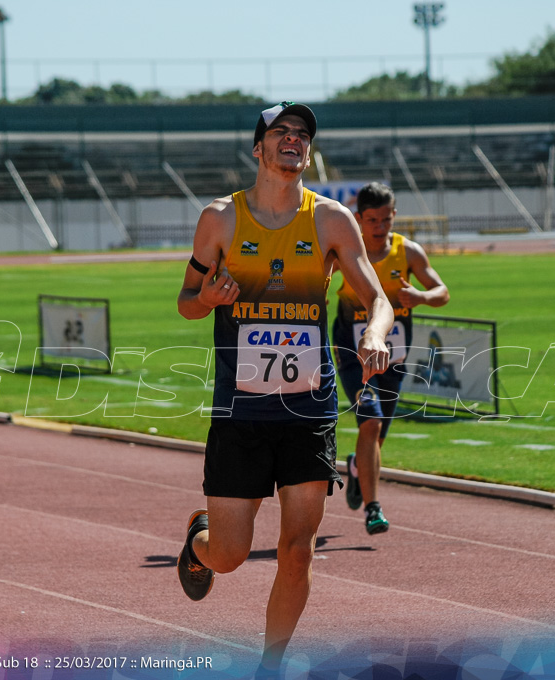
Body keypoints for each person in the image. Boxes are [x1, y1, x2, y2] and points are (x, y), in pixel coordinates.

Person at [175, 102, 394, 675]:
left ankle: (269, 666)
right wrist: (208, 301)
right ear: (259, 149)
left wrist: (374, 332)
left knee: (298, 550)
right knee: (230, 555)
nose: (294, 140)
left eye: (302, 134)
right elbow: (185, 303)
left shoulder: (331, 221)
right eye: (281, 132)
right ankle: (199, 541)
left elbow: (378, 298)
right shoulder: (220, 219)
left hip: (308, 408)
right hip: (240, 409)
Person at [332, 182, 449, 534]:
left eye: (386, 219)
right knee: (370, 423)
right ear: (358, 219)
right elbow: (315, 280)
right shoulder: (346, 253)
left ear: (394, 216)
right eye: (372, 220)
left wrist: (422, 297)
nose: (380, 227)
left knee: (378, 434)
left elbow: (442, 292)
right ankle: (374, 508)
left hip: (394, 355)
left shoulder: (408, 252)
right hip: (354, 351)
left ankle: (356, 467)